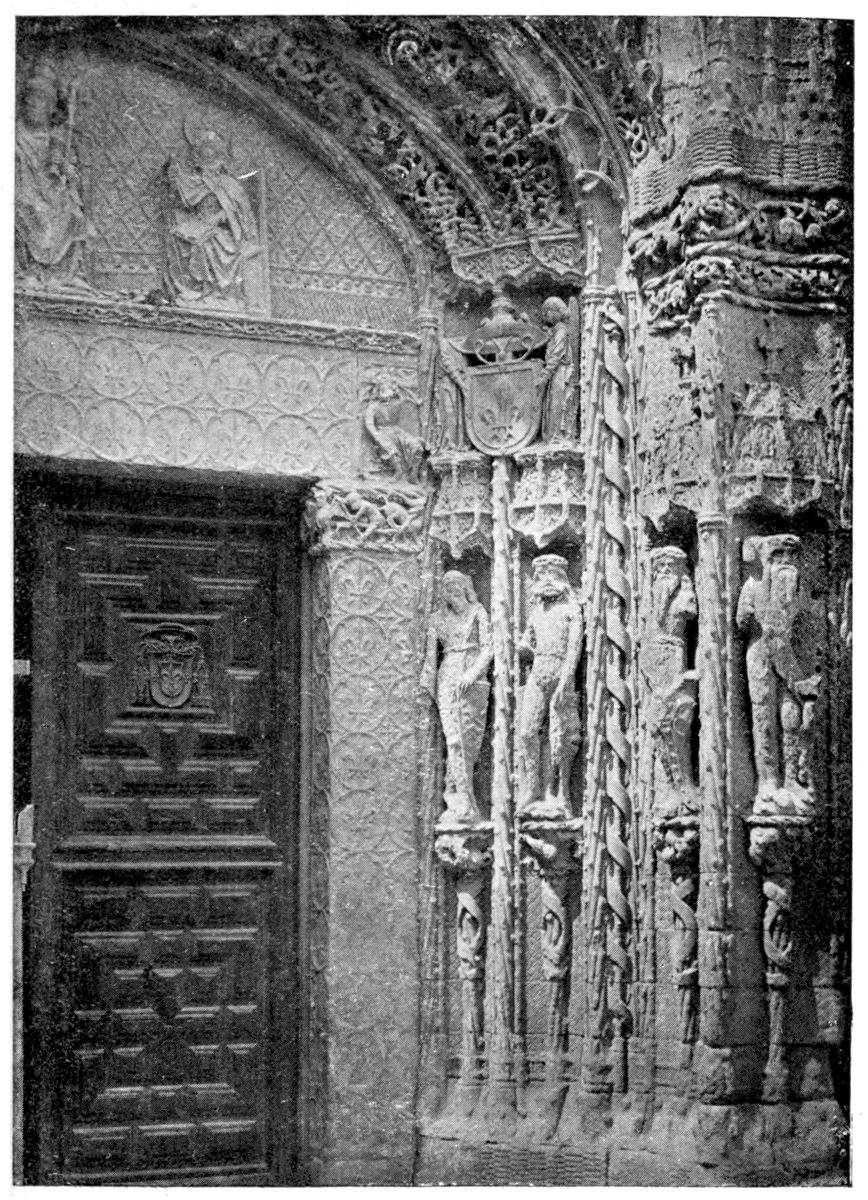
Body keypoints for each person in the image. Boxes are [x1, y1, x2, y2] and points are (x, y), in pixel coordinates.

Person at [420, 571, 493, 825]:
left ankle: (464, 799)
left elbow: (488, 648)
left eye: (456, 589)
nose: (453, 595)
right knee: (453, 740)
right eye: (448, 590)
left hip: (473, 678)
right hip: (448, 677)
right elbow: (431, 657)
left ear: (465, 589)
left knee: (468, 741)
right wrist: (427, 685)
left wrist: (472, 674)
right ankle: (460, 801)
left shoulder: (478, 612)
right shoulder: (437, 619)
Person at [163, 123, 261, 309]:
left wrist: (223, 216)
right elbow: (184, 197)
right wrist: (173, 172)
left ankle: (214, 292)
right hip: (199, 223)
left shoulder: (230, 184)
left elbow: (242, 214)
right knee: (181, 236)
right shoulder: (195, 181)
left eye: (212, 149)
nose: (208, 154)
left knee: (205, 244)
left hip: (222, 231)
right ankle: (195, 290)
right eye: (204, 149)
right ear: (197, 155)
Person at [517, 555, 583, 818]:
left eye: (551, 575)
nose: (546, 581)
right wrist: (522, 647)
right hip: (538, 671)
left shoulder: (571, 611)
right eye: (540, 575)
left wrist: (565, 681)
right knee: (527, 732)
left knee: (561, 735)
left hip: (560, 671)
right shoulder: (536, 612)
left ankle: (561, 793)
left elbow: (574, 649)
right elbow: (527, 642)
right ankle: (533, 788)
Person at [15, 62, 90, 287]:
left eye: (41, 100)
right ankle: (29, 269)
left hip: (51, 191)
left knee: (73, 213)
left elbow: (70, 174)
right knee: (25, 207)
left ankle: (64, 273)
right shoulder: (15, 135)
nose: (33, 105)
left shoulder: (58, 139)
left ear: (50, 108)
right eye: (30, 99)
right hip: (24, 189)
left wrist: (68, 172)